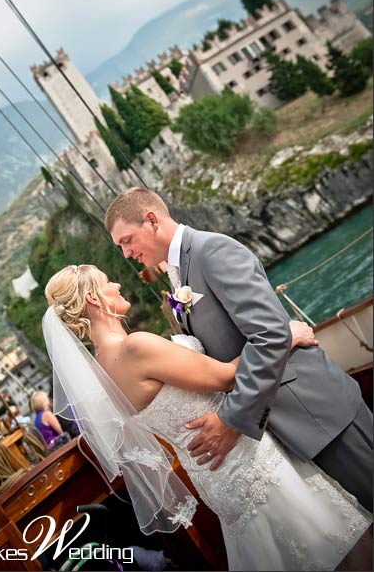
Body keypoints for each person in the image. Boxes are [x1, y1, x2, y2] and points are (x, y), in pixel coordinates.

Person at [42, 265, 370, 571]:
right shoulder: (134, 347)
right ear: (93, 297)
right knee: (338, 548)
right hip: (247, 463)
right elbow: (227, 377)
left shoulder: (100, 372)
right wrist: (286, 335)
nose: (116, 284)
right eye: (106, 281)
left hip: (212, 476)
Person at [105, 187, 373, 514]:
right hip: (283, 421)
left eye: (127, 240)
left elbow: (270, 336)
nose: (126, 254)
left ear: (151, 220)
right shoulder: (179, 272)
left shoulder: (212, 251)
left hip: (317, 411)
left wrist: (232, 418)